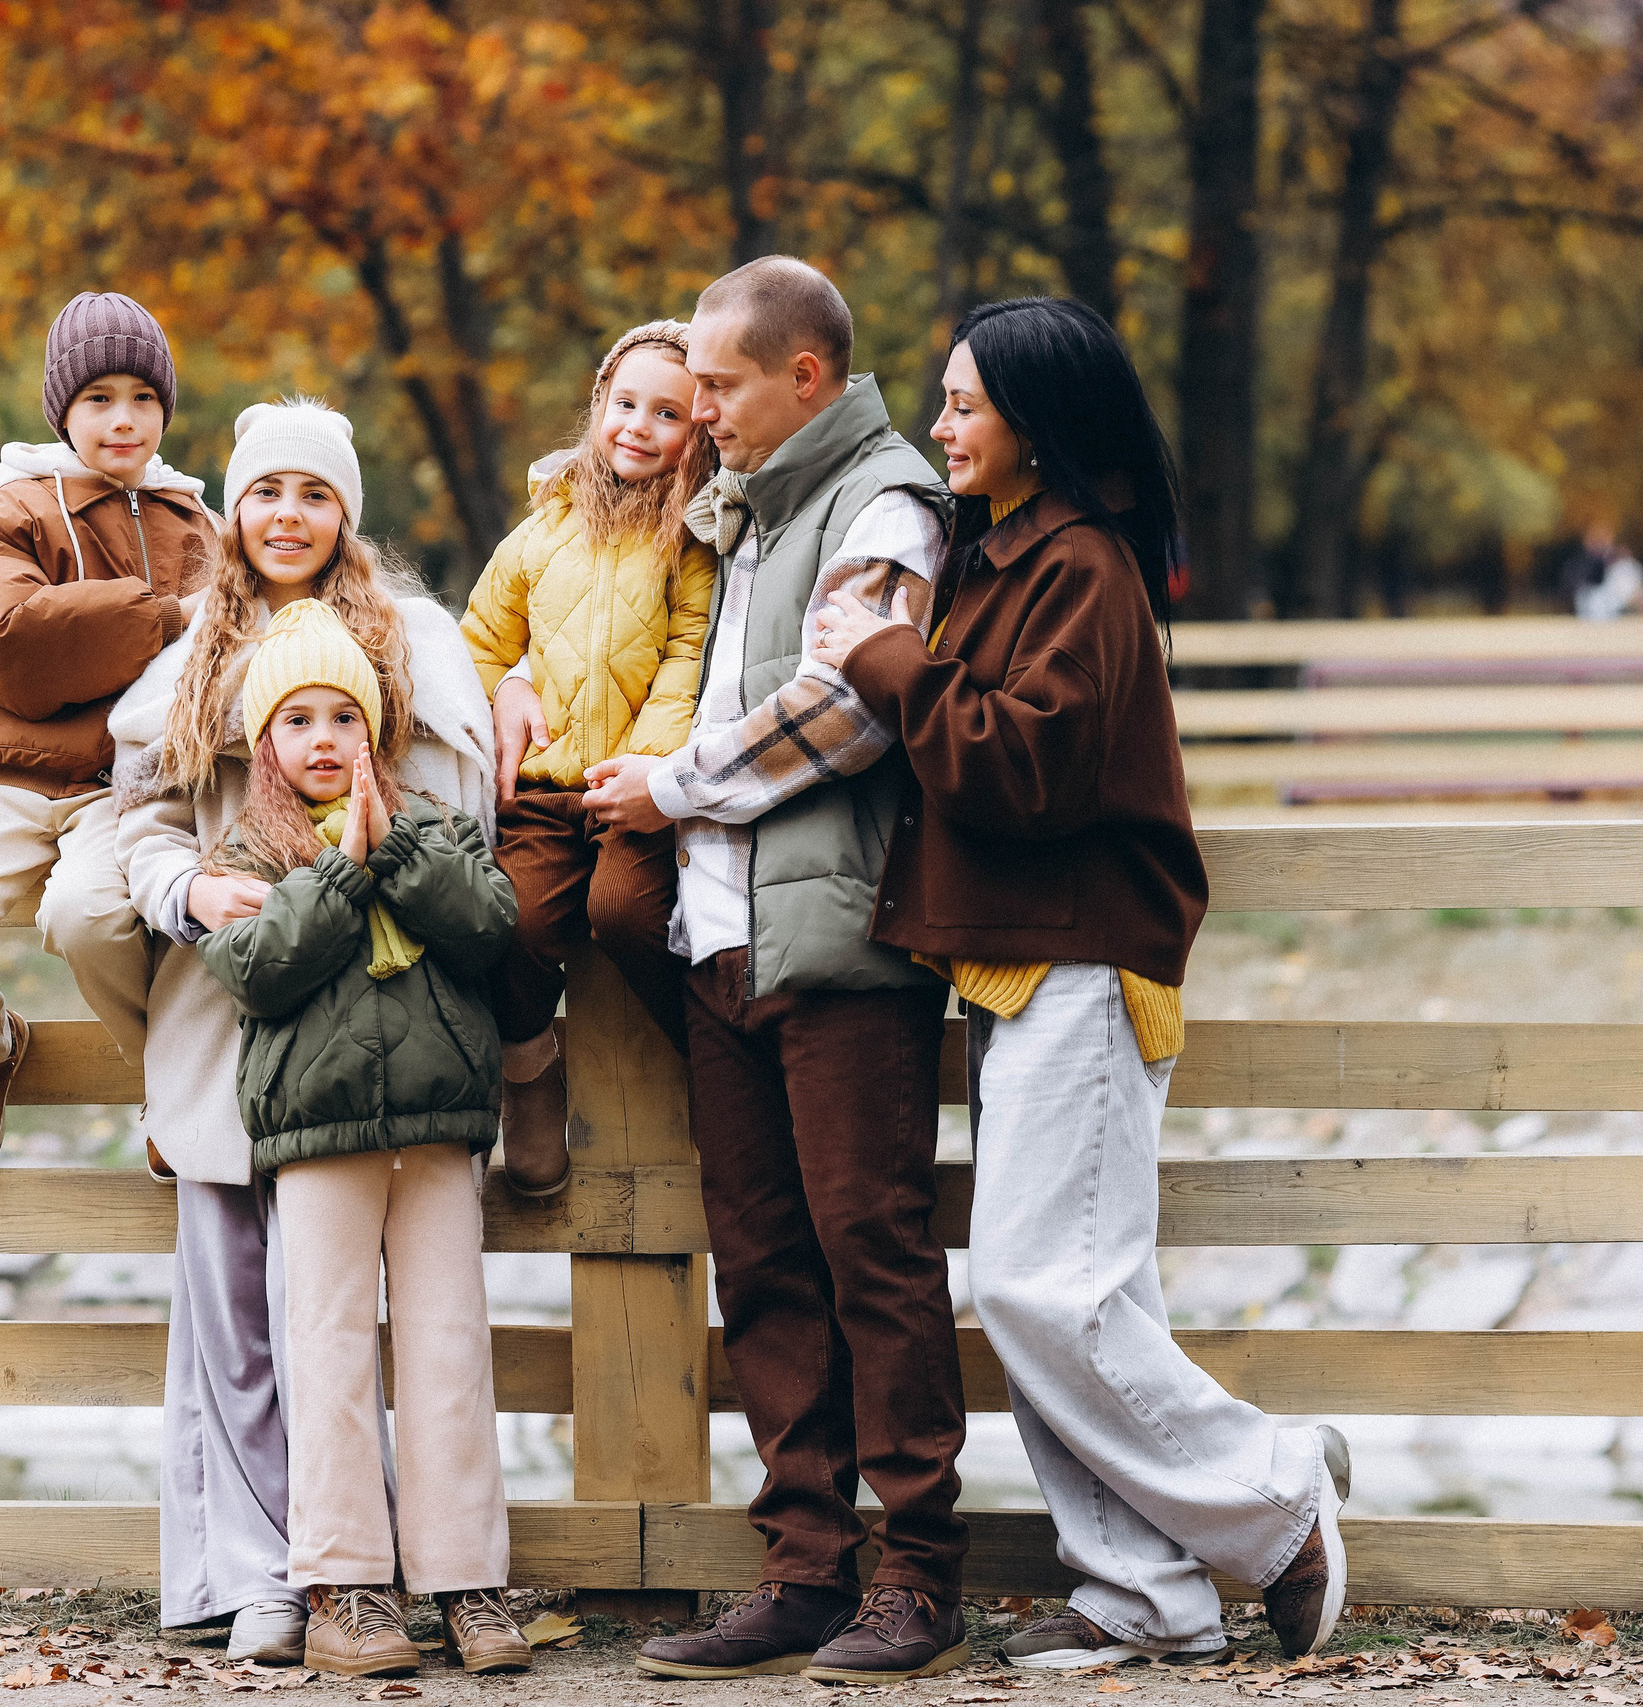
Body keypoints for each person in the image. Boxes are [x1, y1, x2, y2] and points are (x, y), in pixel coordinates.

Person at [810, 295, 1352, 1670]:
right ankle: (1144, 1594)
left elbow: (1024, 768)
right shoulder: (1006, 558)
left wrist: (883, 663)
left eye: (962, 404)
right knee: (1064, 1291)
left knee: (1045, 1288)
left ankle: (1275, 1494)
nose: (939, 426)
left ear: (1037, 427)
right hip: (1016, 963)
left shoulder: (1083, 570)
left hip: (1087, 959)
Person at [582, 258, 970, 1686]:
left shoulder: (882, 504)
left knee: (873, 1248)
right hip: (723, 938)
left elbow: (849, 708)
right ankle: (806, 1568)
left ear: (804, 376)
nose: (697, 407)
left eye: (722, 384)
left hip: (840, 943)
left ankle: (919, 1575)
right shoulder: (748, 508)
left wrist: (674, 785)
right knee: (760, 1264)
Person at [106, 398, 499, 1662]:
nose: (288, 515)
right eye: (265, 491)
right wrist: (188, 891)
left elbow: (463, 840)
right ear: (234, 508)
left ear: (347, 513)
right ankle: (278, 1572)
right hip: (249, 1006)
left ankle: (419, 1572)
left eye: (314, 493)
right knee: (252, 1312)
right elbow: (142, 827)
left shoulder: (416, 643)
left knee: (406, 1319)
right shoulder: (191, 655)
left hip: (397, 1030)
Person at [193, 598, 529, 1680]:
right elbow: (255, 968)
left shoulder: (434, 825)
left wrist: (394, 856)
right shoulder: (244, 848)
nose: (325, 738)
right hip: (319, 1135)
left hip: (436, 1131)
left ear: (377, 730)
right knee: (326, 1351)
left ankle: (464, 1578)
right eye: (299, 720)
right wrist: (341, 870)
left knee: (447, 1349)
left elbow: (490, 928)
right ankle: (343, 1584)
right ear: (264, 744)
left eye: (345, 716)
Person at [0, 291, 217, 1181]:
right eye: (100, 397)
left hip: (123, 784)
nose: (124, 418)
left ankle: (173, 1079)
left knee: (90, 917)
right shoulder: (3, 515)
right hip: (11, 780)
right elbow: (14, 642)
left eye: (143, 398)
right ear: (62, 408)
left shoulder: (197, 526)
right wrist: (165, 618)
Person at [463, 319, 718, 1195]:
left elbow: (690, 654)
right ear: (598, 404)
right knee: (516, 920)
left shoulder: (695, 540)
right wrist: (504, 688)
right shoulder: (543, 529)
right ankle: (529, 1074)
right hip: (544, 787)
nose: (638, 426)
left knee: (625, 913)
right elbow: (481, 638)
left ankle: (717, 1066)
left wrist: (648, 763)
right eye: (625, 402)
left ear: (700, 432)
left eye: (668, 413)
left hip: (642, 789)